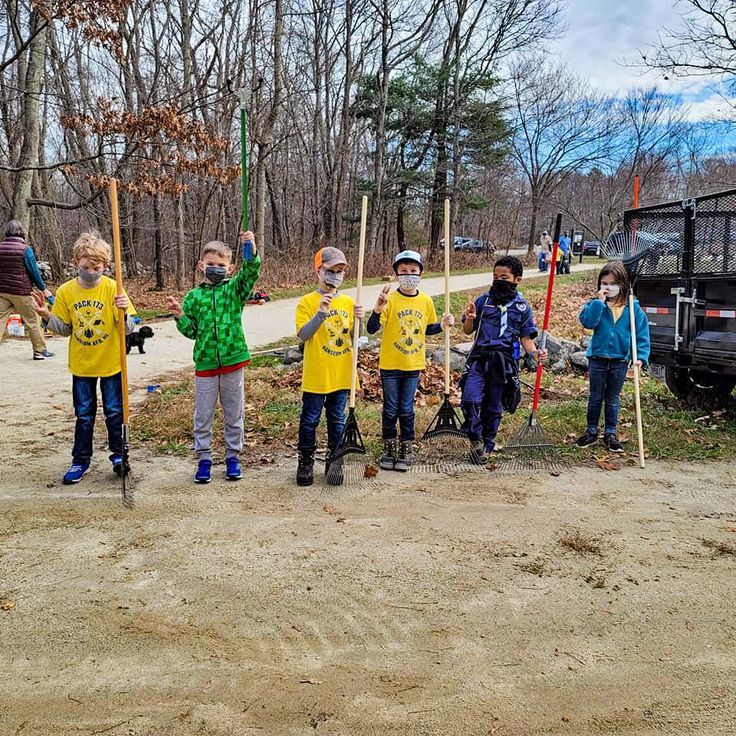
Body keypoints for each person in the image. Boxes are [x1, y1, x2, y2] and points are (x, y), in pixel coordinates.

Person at [31, 232, 136, 484]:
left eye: (97, 267)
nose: (91, 271)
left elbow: (130, 328)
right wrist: (46, 314)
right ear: (75, 262)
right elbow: (65, 328)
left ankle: (119, 456)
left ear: (106, 266)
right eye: (86, 267)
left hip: (111, 363)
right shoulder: (67, 291)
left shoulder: (114, 287)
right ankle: (80, 461)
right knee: (84, 414)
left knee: (113, 412)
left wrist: (123, 313)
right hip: (82, 364)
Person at [166, 231, 261, 484]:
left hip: (233, 362)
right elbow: (191, 331)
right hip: (206, 365)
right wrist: (179, 315)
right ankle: (204, 459)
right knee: (203, 415)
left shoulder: (235, 291)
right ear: (201, 266)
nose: (216, 269)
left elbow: (251, 271)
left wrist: (249, 245)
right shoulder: (194, 297)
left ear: (230, 269)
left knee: (234, 413)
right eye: (211, 264)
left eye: (221, 266)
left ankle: (233, 457)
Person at [366, 250, 454, 471]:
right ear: (396, 274)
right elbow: (371, 328)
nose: (408, 275)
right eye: (403, 271)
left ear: (421, 274)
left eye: (413, 271)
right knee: (390, 408)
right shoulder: (391, 299)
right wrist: (378, 308)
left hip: (413, 364)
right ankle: (389, 446)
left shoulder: (425, 301)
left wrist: (443, 325)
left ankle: (406, 446)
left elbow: (427, 328)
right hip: (390, 365)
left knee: (406, 409)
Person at [460, 255, 547, 463]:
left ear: (517, 280)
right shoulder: (483, 301)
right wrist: (470, 319)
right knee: (469, 398)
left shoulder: (522, 307)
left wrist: (535, 353)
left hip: (504, 363)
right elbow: (467, 330)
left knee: (493, 407)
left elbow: (526, 338)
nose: (499, 280)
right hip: (480, 359)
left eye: (504, 277)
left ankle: (486, 445)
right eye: (495, 276)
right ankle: (475, 436)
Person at [295, 247, 365, 486]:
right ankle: (305, 460)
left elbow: (355, 338)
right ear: (319, 270)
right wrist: (321, 314)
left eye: (340, 271)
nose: (336, 275)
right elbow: (303, 335)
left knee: (337, 419)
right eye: (331, 270)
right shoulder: (307, 302)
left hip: (342, 373)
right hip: (317, 374)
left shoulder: (348, 301)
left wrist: (360, 321)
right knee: (310, 419)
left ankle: (335, 460)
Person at [575, 261, 650, 453]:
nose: (608, 287)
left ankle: (610, 433)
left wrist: (640, 356)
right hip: (598, 358)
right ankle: (591, 431)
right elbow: (588, 322)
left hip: (620, 359)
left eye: (612, 283)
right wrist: (598, 303)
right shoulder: (595, 304)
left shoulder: (633, 309)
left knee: (612, 397)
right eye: (604, 283)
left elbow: (641, 335)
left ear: (622, 284)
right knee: (595, 396)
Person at [0, 220, 55, 360]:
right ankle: (39, 351)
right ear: (21, 233)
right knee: (33, 321)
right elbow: (34, 272)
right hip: (22, 292)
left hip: (2, 292)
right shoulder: (25, 250)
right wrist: (44, 289)